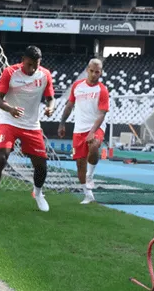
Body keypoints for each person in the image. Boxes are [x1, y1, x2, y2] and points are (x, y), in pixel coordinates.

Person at [0, 46, 54, 214]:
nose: (32, 69)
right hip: (9, 121)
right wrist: (10, 109)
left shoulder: (45, 75)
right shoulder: (10, 72)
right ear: (23, 60)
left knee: (41, 166)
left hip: (31, 125)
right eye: (29, 64)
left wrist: (50, 108)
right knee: (1, 157)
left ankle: (37, 193)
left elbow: (50, 99)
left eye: (35, 65)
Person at [58, 58, 109, 204]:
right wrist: (62, 123)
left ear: (101, 73)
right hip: (78, 129)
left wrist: (93, 131)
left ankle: (90, 175)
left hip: (96, 126)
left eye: (97, 72)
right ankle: (88, 194)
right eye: (91, 71)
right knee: (80, 164)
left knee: (94, 146)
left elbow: (102, 114)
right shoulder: (77, 86)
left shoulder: (102, 90)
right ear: (87, 70)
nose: (94, 74)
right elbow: (69, 106)